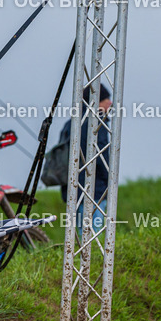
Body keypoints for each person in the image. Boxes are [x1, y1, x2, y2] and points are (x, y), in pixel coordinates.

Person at [59, 84, 112, 234]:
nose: (110, 103)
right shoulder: (97, 122)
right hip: (94, 188)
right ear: (96, 101)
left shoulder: (71, 123)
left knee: (81, 232)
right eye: (105, 99)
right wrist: (109, 179)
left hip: (72, 188)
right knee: (92, 234)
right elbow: (101, 155)